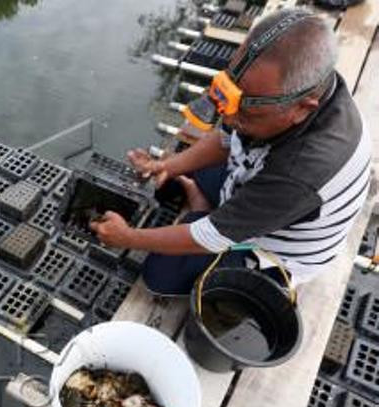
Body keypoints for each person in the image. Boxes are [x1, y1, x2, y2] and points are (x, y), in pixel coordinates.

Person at [90, 8, 372, 296]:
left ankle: (203, 210)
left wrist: (128, 237)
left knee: (159, 275)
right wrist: (169, 166)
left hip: (273, 250)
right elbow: (227, 137)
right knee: (189, 168)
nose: (230, 121)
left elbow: (211, 238)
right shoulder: (294, 87)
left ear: (303, 108)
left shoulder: (303, 170)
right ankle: (206, 206)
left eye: (247, 116)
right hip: (267, 187)